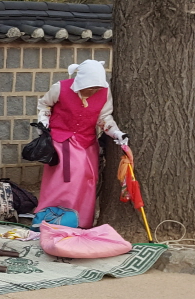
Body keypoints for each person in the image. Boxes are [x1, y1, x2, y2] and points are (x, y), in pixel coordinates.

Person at [34, 59, 128, 227]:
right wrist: (43, 123)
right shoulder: (60, 88)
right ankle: (51, 219)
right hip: (62, 140)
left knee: (88, 179)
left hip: (87, 143)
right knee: (65, 178)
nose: (93, 91)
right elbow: (44, 105)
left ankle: (81, 222)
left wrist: (116, 133)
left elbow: (104, 118)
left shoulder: (105, 93)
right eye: (90, 87)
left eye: (96, 88)